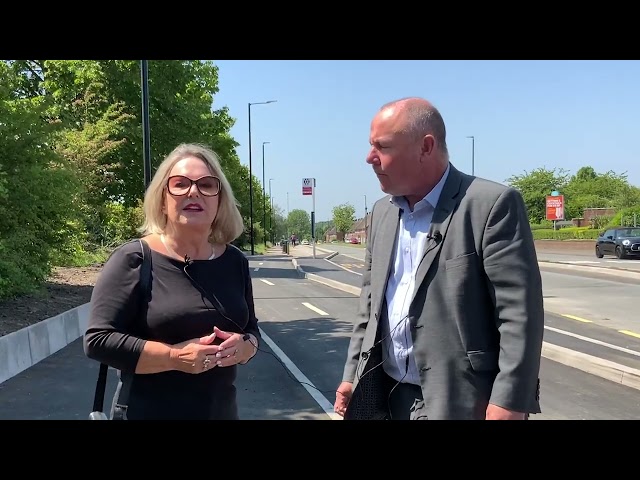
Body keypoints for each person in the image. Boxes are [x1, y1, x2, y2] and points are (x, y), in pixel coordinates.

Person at [334, 97, 544, 420]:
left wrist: (510, 401)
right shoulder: (381, 214)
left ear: (426, 147)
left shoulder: (490, 206)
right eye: (370, 146)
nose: (369, 158)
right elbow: (370, 306)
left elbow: (520, 317)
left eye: (382, 147)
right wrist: (351, 376)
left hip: (460, 403)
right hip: (385, 398)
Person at [84, 143, 260, 420]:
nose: (194, 191)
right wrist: (174, 358)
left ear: (219, 200)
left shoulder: (234, 261)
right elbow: (98, 340)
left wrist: (245, 347)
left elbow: (251, 328)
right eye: (180, 184)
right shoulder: (134, 258)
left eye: (206, 185)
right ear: (163, 199)